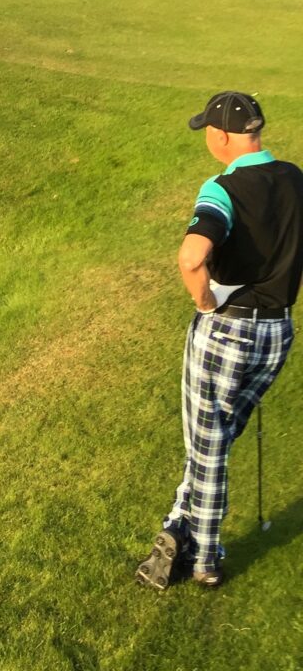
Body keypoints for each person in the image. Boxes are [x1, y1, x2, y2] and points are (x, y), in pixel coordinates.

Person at [136, 92, 303, 590]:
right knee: (218, 438)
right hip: (278, 332)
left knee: (207, 448)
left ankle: (202, 556)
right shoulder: (295, 177)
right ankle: (179, 525)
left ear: (222, 136)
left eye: (207, 129)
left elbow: (192, 258)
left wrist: (205, 303)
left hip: (228, 328)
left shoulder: (222, 188)